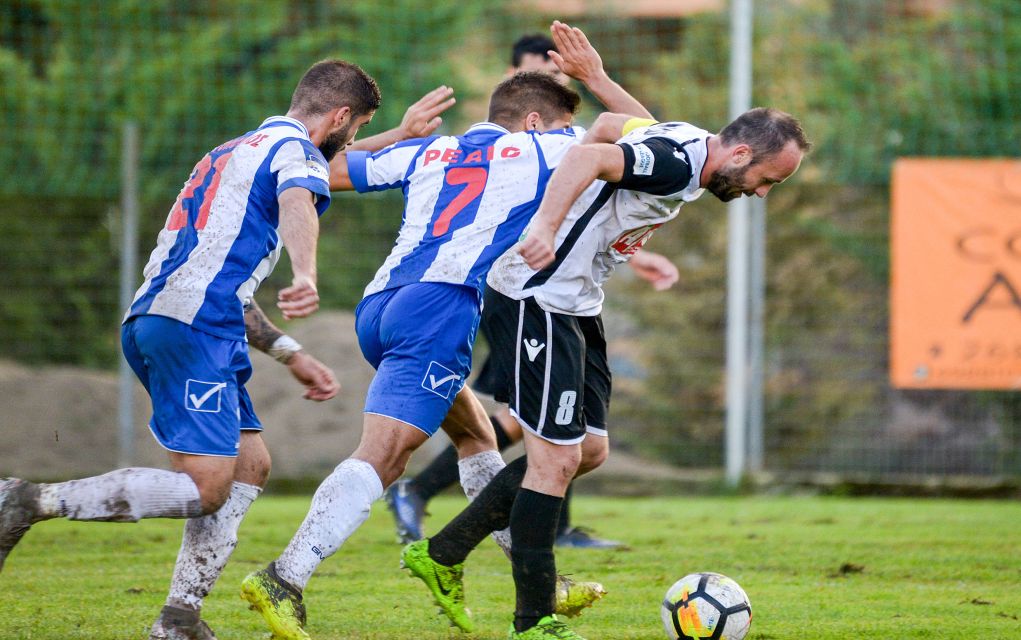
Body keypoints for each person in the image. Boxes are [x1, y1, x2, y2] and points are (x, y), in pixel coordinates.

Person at [0, 59, 450, 640]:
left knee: (250, 465)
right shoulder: (292, 155)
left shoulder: (238, 148)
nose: (357, 139)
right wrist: (306, 271)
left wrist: (291, 353)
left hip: (188, 318)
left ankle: (180, 617)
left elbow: (237, 253)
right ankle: (30, 499)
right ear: (340, 116)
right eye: (358, 127)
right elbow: (298, 200)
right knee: (207, 488)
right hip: (192, 327)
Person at [238, 40, 656, 636]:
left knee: (476, 433)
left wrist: (399, 133)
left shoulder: (436, 149)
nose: (574, 131)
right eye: (565, 121)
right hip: (443, 306)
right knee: (383, 456)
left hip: (381, 304)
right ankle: (285, 576)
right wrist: (598, 80)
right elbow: (655, 140)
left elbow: (324, 170)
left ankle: (540, 581)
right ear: (539, 121)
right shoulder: (553, 147)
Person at [401, 108, 811, 639]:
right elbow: (588, 154)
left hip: (576, 305)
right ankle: (533, 622)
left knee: (589, 451)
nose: (761, 193)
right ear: (738, 154)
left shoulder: (688, 142)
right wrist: (546, 227)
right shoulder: (674, 162)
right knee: (554, 461)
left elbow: (614, 120)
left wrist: (595, 77)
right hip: (536, 299)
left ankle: (443, 552)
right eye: (766, 180)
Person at [384, 24, 680, 551]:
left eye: (562, 72)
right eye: (547, 72)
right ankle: (439, 504)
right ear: (521, 90)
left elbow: (587, 213)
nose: (558, 82)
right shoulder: (529, 146)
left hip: (546, 290)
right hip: (520, 294)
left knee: (551, 428)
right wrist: (598, 81)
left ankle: (467, 513)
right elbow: (646, 143)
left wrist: (638, 253)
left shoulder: (541, 146)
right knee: (535, 425)